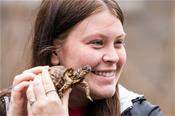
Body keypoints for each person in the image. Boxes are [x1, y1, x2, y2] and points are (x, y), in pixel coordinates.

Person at [0, 0, 164, 116]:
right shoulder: (7, 108)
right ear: (55, 52)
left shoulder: (143, 113)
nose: (113, 57)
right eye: (97, 43)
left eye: (119, 42)